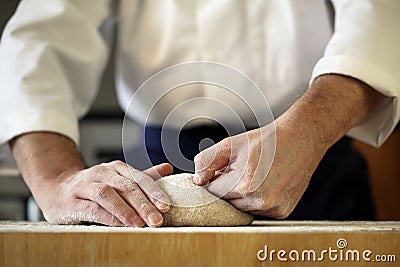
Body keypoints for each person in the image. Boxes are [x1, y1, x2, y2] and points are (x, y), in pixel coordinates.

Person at [0, 0, 399, 227]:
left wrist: (309, 131)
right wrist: (56, 179)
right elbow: (40, 40)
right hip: (156, 180)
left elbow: (381, 17)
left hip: (310, 152)